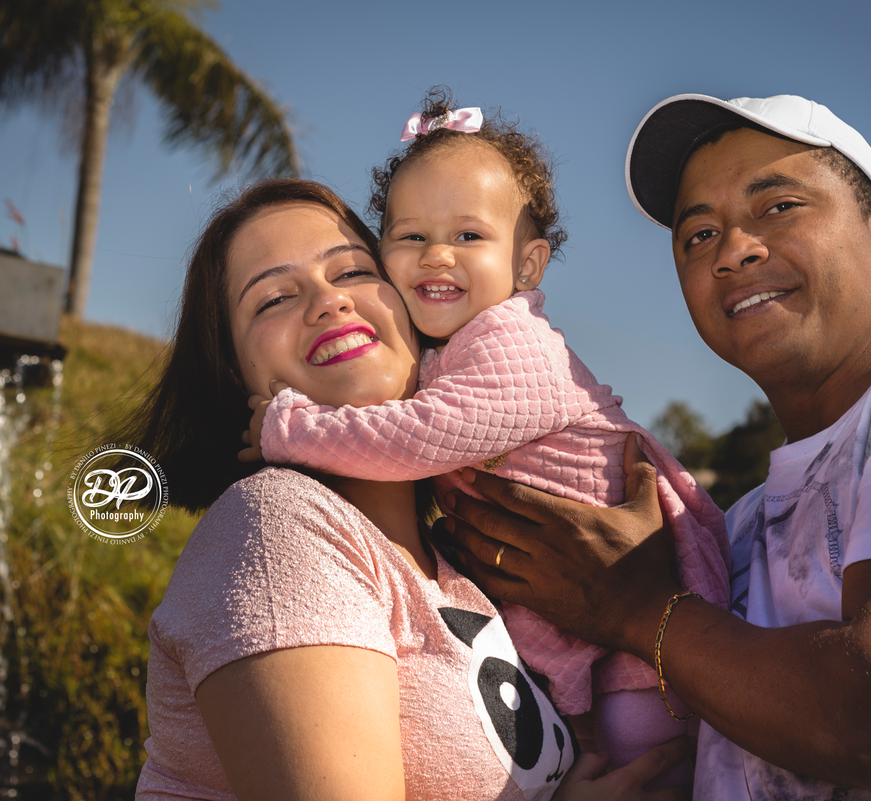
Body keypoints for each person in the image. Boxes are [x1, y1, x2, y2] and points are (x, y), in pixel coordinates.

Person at [442, 93, 871, 800]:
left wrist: (640, 610)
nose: (733, 249)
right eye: (698, 235)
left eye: (778, 208)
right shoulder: (732, 533)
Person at [127, 179, 690, 800]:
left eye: (351, 272)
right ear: (233, 368)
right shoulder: (278, 526)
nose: (327, 302)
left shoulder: (458, 569)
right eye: (274, 299)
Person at [239, 89, 729, 778]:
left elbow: (416, 436)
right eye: (411, 236)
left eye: (468, 236)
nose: (437, 255)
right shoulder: (445, 356)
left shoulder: (514, 345)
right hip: (579, 634)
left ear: (527, 265)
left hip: (637, 669)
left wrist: (290, 426)